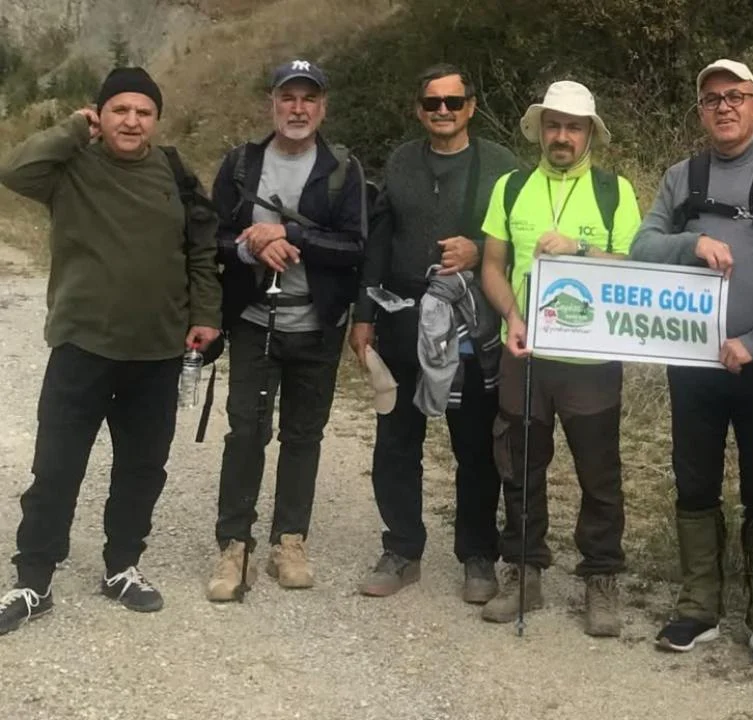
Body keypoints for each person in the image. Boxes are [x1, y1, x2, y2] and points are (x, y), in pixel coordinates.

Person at [0, 67, 221, 634]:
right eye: (119, 109)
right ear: (100, 114)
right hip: (83, 344)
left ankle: (122, 566)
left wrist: (205, 316)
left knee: (142, 468)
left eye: (143, 112)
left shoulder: (174, 173)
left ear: (156, 120)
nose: (131, 121)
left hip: (158, 351)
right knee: (56, 466)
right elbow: (13, 169)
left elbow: (200, 249)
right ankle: (33, 579)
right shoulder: (71, 165)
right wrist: (75, 129)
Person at [629, 59, 753, 672]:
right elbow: (642, 245)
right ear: (700, 111)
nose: (725, 107)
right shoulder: (681, 176)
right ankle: (698, 607)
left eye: (736, 96)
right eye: (712, 98)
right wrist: (692, 243)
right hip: (691, 359)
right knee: (694, 482)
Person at [477, 80, 642, 637]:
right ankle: (524, 571)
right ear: (540, 130)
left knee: (599, 474)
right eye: (554, 125)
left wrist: (582, 250)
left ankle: (601, 577)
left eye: (574, 127)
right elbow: (492, 265)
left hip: (591, 359)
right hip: (526, 351)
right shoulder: (511, 187)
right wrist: (511, 316)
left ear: (590, 133)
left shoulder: (615, 192)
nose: (562, 136)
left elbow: (634, 268)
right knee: (519, 466)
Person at [349, 64, 517, 602]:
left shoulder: (503, 166)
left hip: (471, 324)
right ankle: (402, 549)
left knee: (475, 446)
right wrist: (363, 314)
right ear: (418, 110)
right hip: (402, 319)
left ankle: (478, 555)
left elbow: (524, 237)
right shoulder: (401, 162)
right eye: (431, 103)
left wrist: (480, 250)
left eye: (453, 102)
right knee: (396, 441)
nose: (442, 111)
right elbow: (379, 240)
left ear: (471, 107)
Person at [204, 59, 367, 601]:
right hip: (255, 321)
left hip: (317, 324)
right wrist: (250, 246)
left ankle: (289, 541)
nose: (298, 109)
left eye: (308, 99)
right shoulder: (241, 165)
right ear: (272, 104)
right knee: (246, 432)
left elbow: (355, 247)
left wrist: (290, 235)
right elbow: (213, 237)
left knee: (304, 434)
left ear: (323, 107)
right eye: (288, 98)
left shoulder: (343, 170)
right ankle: (234, 545)